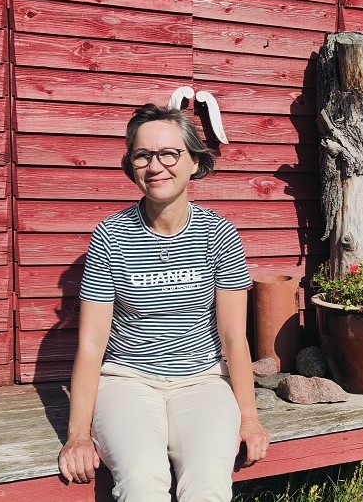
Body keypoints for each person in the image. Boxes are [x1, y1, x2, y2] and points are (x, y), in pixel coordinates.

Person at [57, 103, 270, 502]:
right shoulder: (110, 237)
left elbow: (234, 338)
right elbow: (91, 344)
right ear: (131, 165)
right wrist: (78, 435)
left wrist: (251, 419)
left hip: (203, 381)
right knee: (141, 482)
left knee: (207, 484)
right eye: (143, 155)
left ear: (194, 163)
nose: (156, 166)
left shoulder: (219, 235)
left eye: (169, 153)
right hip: (127, 382)